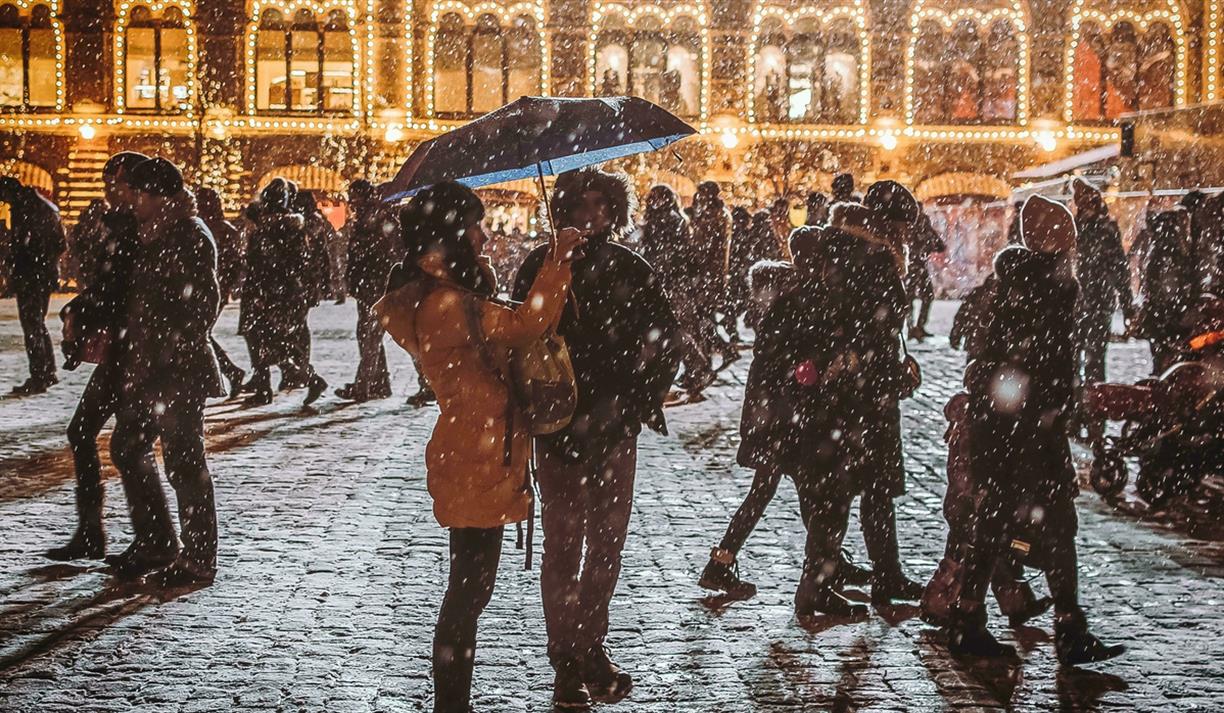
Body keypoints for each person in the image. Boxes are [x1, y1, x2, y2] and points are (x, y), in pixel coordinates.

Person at [374, 181, 583, 713]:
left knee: (470, 586)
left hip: (474, 451)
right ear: (449, 236)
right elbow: (526, 324)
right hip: (476, 455)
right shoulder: (446, 303)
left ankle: (454, 701)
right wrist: (556, 260)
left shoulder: (445, 298)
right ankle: (452, 704)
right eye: (473, 224)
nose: (482, 234)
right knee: (468, 591)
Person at [513, 168, 681, 708]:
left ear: (614, 210)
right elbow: (516, 339)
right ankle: (566, 657)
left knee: (607, 543)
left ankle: (590, 644)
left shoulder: (632, 268)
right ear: (562, 208)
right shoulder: (538, 267)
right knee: (563, 545)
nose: (590, 214)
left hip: (613, 427)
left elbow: (665, 341)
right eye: (580, 204)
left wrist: (638, 400)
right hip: (559, 427)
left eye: (600, 203)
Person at [947, 194, 1124, 665]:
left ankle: (972, 617)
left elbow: (991, 355)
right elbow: (1042, 363)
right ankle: (1065, 626)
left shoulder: (1010, 285)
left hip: (1005, 424)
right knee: (1055, 522)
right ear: (1056, 244)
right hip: (1026, 429)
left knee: (997, 518)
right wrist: (1055, 407)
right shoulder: (1047, 290)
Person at [699, 226, 870, 603]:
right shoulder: (798, 302)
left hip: (776, 415)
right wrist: (820, 370)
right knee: (802, 490)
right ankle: (817, 572)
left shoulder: (791, 299)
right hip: (785, 418)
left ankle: (727, 562)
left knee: (773, 489)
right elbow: (792, 366)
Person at [107, 156, 221, 587]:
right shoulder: (152, 233)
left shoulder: (188, 234)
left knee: (185, 462)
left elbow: (203, 304)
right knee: (127, 445)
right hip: (149, 367)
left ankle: (198, 557)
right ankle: (157, 540)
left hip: (177, 369)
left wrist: (172, 344)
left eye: (139, 194)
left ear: (159, 196)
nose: (132, 201)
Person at [819, 183, 925, 607]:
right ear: (888, 223)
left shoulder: (840, 249)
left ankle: (837, 573)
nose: (906, 236)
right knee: (872, 485)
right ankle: (878, 575)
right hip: (867, 391)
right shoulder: (874, 259)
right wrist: (889, 370)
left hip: (850, 387)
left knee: (846, 485)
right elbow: (873, 327)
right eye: (903, 226)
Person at [46, 152, 146, 561]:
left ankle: (149, 536)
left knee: (128, 444)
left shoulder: (139, 231)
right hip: (122, 352)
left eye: (118, 183)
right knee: (93, 435)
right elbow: (108, 288)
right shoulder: (121, 226)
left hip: (135, 353)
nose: (111, 189)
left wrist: (84, 311)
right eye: (109, 182)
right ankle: (97, 531)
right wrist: (79, 312)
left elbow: (119, 291)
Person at [240, 178, 327, 406]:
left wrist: (262, 291)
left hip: (269, 291)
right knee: (272, 340)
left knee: (266, 340)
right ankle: (289, 379)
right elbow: (301, 262)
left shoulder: (266, 230)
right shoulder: (294, 228)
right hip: (284, 290)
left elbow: (259, 262)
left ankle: (305, 378)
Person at [640, 185, 710, 397]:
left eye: (657, 197)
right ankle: (695, 369)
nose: (654, 201)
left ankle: (697, 368)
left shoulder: (665, 220)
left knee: (675, 329)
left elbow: (666, 254)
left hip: (669, 282)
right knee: (677, 328)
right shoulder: (674, 219)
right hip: (673, 281)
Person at [1, 176, 65, 394]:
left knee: (32, 325)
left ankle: (39, 375)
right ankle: (48, 371)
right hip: (43, 274)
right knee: (38, 323)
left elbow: (24, 246)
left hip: (31, 275)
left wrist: (16, 267)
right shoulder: (43, 205)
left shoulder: (25, 208)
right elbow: (59, 244)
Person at [338, 179, 399, 402]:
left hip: (376, 285)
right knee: (369, 336)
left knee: (370, 336)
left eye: (355, 197)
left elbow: (380, 255)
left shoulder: (377, 219)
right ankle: (379, 382)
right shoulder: (370, 218)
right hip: (369, 285)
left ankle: (363, 386)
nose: (352, 202)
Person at [1072, 178, 1134, 387]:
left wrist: (1126, 304)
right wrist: (1126, 304)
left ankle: (1082, 403)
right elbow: (1119, 269)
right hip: (1089, 301)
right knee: (1091, 359)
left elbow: (1118, 269)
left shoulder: (1079, 229)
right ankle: (1087, 402)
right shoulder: (1088, 229)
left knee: (1086, 357)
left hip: (1088, 301)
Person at [198, 186, 247, 398]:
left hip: (209, 290)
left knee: (202, 334)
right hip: (212, 289)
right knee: (203, 334)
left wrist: (224, 284)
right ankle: (230, 371)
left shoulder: (211, 229)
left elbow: (233, 264)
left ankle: (228, 372)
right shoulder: (223, 230)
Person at [1138, 207, 1196, 373]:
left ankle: (1162, 372)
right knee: (1171, 353)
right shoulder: (1175, 253)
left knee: (1162, 353)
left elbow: (1152, 284)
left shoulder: (1157, 252)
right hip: (1171, 313)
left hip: (1162, 314)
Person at [690, 181, 738, 372]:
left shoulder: (713, 216)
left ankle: (717, 354)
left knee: (701, 317)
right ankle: (708, 359)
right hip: (713, 274)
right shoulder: (720, 213)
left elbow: (704, 248)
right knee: (703, 317)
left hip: (708, 275)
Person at [905, 211, 945, 341]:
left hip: (912, 268)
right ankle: (916, 327)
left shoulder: (911, 228)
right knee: (921, 297)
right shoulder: (921, 229)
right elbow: (940, 246)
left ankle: (914, 327)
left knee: (912, 298)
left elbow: (940, 246)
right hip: (916, 268)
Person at [724, 205, 756, 344]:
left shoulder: (733, 233)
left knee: (733, 303)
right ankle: (733, 326)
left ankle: (731, 328)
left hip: (734, 273)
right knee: (741, 301)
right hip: (738, 273)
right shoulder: (743, 234)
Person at [66, 199, 107, 289]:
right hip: (87, 259)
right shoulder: (86, 224)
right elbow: (75, 242)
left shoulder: (103, 224)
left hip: (90, 259)